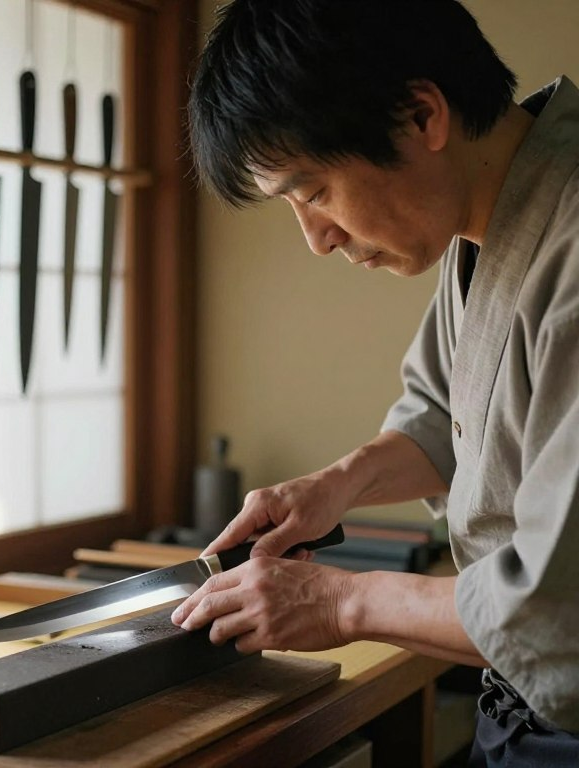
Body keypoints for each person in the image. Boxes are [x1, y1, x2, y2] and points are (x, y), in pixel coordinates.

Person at [170, 1, 579, 764]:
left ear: (421, 114)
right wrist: (335, 486)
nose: (316, 240)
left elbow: (555, 611)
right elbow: (441, 420)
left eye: (315, 192)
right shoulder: (492, 214)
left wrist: (337, 599)